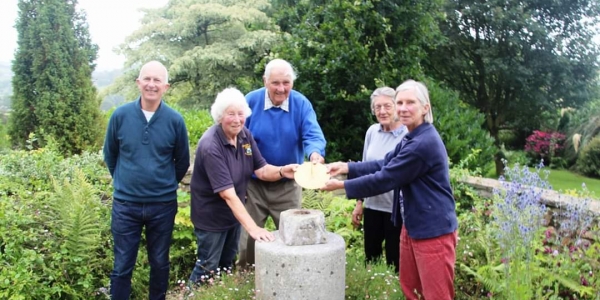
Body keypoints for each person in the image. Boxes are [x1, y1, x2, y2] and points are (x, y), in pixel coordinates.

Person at [322, 80, 458, 300]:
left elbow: (385, 178)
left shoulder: (423, 144)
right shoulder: (411, 137)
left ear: (425, 107)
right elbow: (384, 163)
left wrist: (341, 186)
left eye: (410, 103)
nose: (403, 108)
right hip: (412, 225)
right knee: (410, 290)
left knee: (436, 295)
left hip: (433, 230)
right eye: (400, 102)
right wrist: (346, 167)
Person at [188, 87, 298, 286]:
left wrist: (283, 171)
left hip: (232, 217)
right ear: (220, 116)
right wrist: (253, 228)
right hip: (211, 219)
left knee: (226, 265)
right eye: (231, 114)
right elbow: (228, 194)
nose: (237, 119)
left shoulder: (244, 136)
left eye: (241, 114)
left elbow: (262, 169)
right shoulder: (211, 146)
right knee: (207, 267)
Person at [103, 61, 190, 300]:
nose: (152, 84)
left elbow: (181, 161)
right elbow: (110, 155)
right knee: (122, 266)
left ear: (166, 86)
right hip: (125, 206)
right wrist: (125, 181)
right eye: (147, 79)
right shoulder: (120, 116)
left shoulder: (175, 120)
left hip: (162, 206)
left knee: (160, 262)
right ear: (138, 83)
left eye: (157, 80)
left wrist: (162, 185)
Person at [237, 58, 326, 267]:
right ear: (265, 81)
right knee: (246, 244)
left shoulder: (301, 103)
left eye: (286, 83)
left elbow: (313, 135)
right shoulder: (250, 102)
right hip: (253, 185)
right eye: (275, 83)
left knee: (293, 240)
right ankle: (246, 285)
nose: (281, 88)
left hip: (288, 186)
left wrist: (314, 154)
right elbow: (240, 141)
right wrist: (246, 167)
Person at [353, 87, 407, 273]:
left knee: (396, 262)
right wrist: (359, 203)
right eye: (377, 107)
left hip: (396, 210)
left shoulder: (406, 134)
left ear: (396, 107)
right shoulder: (372, 132)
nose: (382, 111)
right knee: (371, 258)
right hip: (373, 207)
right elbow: (364, 168)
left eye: (387, 106)